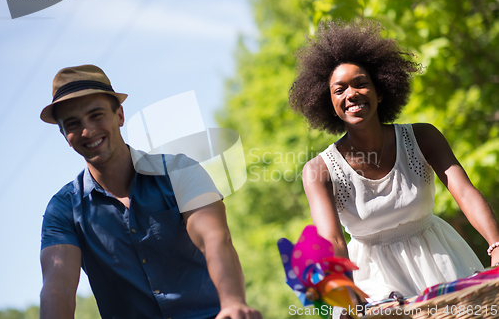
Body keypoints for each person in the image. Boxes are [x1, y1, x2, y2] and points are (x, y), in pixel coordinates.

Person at [288, 20, 499, 301]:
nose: (351, 94)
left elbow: (463, 191)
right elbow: (333, 240)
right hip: (372, 279)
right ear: (330, 105)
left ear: (381, 90)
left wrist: (496, 245)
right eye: (339, 90)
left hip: (442, 261)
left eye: (361, 84)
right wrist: (347, 291)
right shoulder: (318, 169)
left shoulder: (423, 137)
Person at [39, 64, 262, 319]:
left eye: (97, 115)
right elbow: (58, 288)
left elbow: (215, 240)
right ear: (63, 133)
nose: (87, 131)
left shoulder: (181, 170)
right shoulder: (64, 210)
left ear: (120, 115)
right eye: (73, 124)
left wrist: (233, 302)